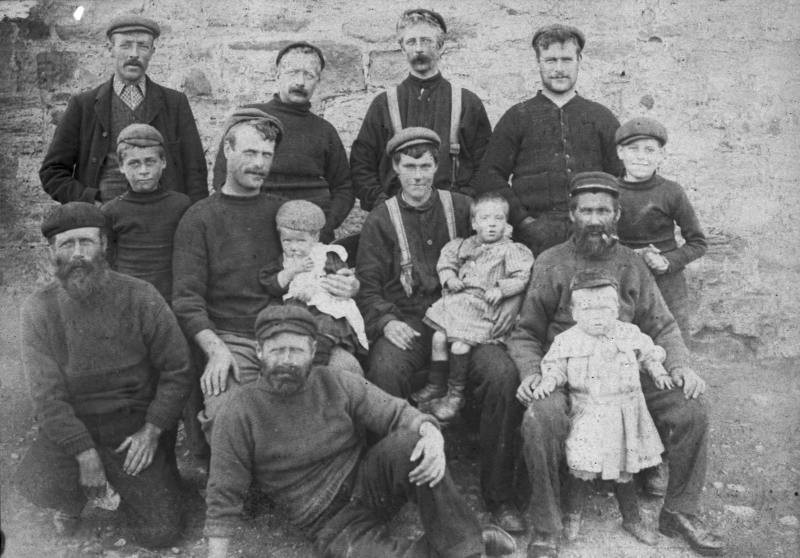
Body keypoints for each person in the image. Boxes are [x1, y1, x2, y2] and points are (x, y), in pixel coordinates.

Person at [506, 171, 724, 558]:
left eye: (603, 211)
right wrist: (533, 373)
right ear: (572, 215)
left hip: (628, 372)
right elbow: (525, 333)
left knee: (692, 408)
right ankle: (547, 524)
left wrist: (679, 366)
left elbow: (662, 324)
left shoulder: (631, 264)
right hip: (568, 372)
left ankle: (679, 511)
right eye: (586, 210)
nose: (594, 219)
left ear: (616, 215)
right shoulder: (551, 262)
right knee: (540, 417)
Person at [203, 305, 516, 558]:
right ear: (258, 351)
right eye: (276, 351)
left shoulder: (334, 381)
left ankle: (467, 549)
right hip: (326, 521)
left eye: (295, 351)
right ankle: (469, 541)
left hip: (366, 483)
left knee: (412, 442)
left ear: (312, 350)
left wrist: (431, 434)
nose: (286, 360)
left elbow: (394, 411)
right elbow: (223, 495)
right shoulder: (239, 411)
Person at [356, 127, 529, 534]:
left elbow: (514, 258)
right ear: (395, 168)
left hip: (472, 316)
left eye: (426, 165)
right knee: (385, 372)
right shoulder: (382, 219)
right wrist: (386, 320)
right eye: (409, 166)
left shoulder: (464, 205)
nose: (418, 175)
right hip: (414, 319)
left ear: (439, 166)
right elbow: (367, 284)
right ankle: (393, 490)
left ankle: (498, 495)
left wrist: (512, 300)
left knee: (502, 375)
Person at [172, 109, 361, 439]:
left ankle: (325, 481)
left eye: (266, 155)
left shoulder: (283, 212)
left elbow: (319, 260)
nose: (259, 164)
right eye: (250, 153)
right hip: (233, 337)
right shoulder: (198, 218)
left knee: (350, 380)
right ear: (227, 150)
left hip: (288, 329)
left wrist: (346, 283)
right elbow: (187, 300)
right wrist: (215, 351)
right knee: (225, 415)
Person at [15, 202, 192, 548]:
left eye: (86, 242)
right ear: (52, 251)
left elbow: (178, 368)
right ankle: (76, 498)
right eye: (67, 244)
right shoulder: (39, 308)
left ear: (104, 245)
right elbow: (46, 396)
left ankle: (130, 487)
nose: (78, 254)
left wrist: (152, 430)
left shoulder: (140, 296)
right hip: (78, 423)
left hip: (132, 429)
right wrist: (83, 452)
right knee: (36, 480)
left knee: (161, 532)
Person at [532, 269, 673, 546]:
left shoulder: (629, 334)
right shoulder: (568, 340)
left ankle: (631, 518)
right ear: (574, 312)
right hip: (588, 412)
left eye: (605, 308)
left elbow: (649, 354)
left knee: (624, 469)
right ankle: (572, 516)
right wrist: (549, 380)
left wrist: (657, 371)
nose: (597, 316)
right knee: (581, 467)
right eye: (588, 309)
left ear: (618, 309)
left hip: (625, 413)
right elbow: (556, 367)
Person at [476, 24, 623, 256]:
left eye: (566, 60)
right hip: (534, 239)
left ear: (579, 60)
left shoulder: (600, 116)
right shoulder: (518, 116)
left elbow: (620, 176)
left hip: (592, 234)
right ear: (539, 63)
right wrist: (524, 221)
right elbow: (489, 175)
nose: (559, 69)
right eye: (550, 60)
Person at [40, 15, 207, 205]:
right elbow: (52, 172)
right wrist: (89, 202)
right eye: (125, 45)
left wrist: (191, 219)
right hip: (105, 220)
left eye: (142, 46)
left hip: (163, 221)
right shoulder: (83, 105)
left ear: (152, 51)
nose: (134, 54)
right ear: (110, 49)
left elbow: (196, 172)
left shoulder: (175, 103)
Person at [212, 42, 354, 243]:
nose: (300, 82)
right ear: (278, 75)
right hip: (256, 228)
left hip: (310, 233)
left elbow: (344, 188)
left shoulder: (325, 130)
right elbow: (222, 177)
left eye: (309, 75)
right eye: (293, 72)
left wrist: (325, 224)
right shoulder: (250, 120)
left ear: (318, 81)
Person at [350, 8, 492, 210]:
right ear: (402, 48)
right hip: (395, 213)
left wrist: (463, 203)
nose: (418, 48)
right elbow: (361, 164)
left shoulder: (467, 103)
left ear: (440, 46)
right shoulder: (382, 104)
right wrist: (383, 204)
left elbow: (486, 165)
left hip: (454, 212)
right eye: (411, 42)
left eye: (426, 41)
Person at [416, 192, 533, 421]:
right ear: (473, 223)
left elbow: (522, 276)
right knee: (438, 338)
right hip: (459, 303)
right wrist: (450, 279)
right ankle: (436, 384)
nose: (491, 224)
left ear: (506, 223)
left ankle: (455, 395)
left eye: (498, 218)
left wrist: (501, 289)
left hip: (483, 309)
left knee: (460, 346)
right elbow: (446, 265)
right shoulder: (463, 245)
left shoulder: (511, 250)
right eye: (485, 218)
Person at [615, 117, 707, 338]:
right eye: (633, 149)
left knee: (673, 337)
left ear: (661, 155)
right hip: (620, 275)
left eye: (649, 150)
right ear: (620, 152)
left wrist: (667, 261)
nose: (641, 156)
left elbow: (698, 242)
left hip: (665, 279)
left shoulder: (671, 191)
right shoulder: (608, 190)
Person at [259, 199, 368, 370]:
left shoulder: (325, 255)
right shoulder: (284, 261)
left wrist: (323, 285)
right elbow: (271, 285)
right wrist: (291, 271)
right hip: (297, 309)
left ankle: (315, 367)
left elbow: (340, 277)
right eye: (287, 241)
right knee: (292, 332)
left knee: (324, 332)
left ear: (315, 237)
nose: (294, 247)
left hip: (325, 308)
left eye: (300, 241)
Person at [102, 123, 191, 303]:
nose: (143, 171)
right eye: (134, 163)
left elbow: (188, 260)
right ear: (121, 166)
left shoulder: (180, 205)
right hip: (128, 298)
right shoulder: (111, 210)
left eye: (150, 162)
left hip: (170, 298)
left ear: (163, 162)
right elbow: (107, 262)